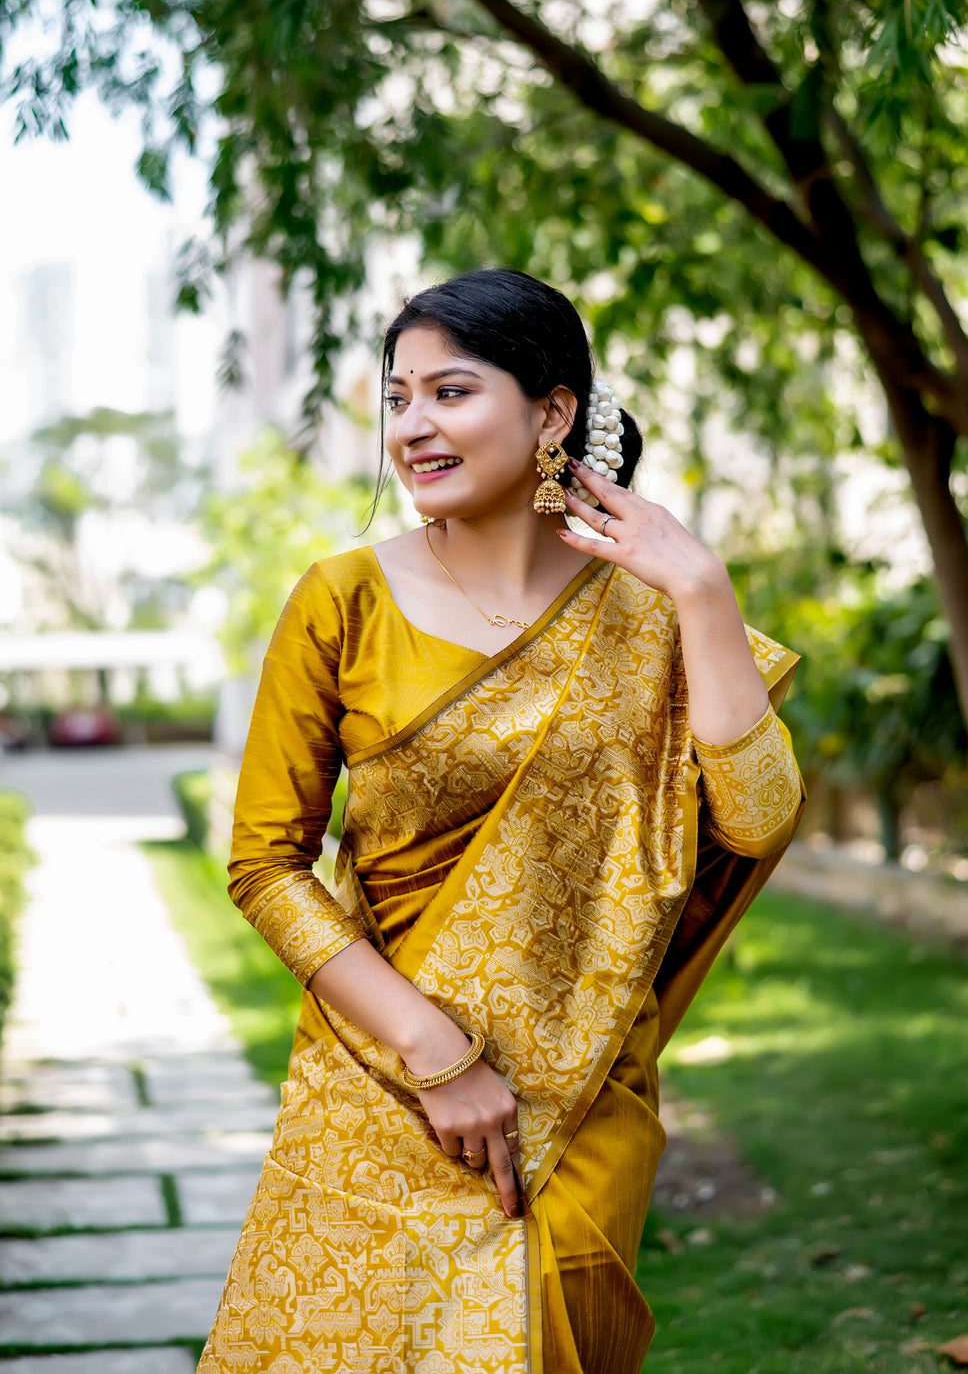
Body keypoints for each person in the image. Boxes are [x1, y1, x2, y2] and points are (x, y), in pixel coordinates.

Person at [197, 269, 805, 1374]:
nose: (414, 425)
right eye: (397, 397)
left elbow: (757, 820)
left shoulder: (652, 612)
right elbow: (264, 864)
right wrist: (436, 1052)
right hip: (382, 1075)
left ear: (554, 412)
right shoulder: (343, 601)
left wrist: (704, 595)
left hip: (578, 1097)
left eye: (451, 391)